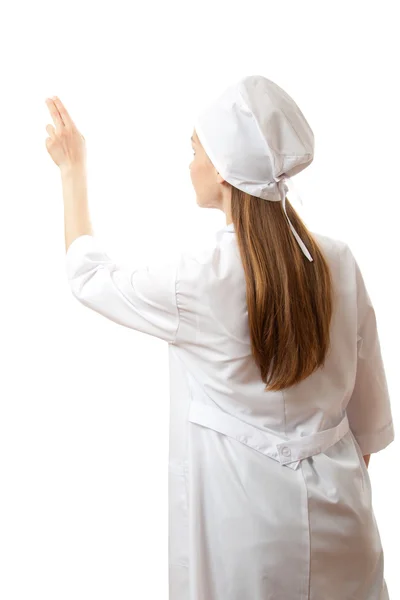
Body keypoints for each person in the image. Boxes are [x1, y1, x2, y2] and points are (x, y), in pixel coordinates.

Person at [47, 75, 395, 599]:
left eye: (195, 150)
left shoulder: (200, 276)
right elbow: (368, 430)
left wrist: (72, 170)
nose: (189, 164)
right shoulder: (337, 262)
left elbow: (90, 278)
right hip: (344, 528)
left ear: (225, 170)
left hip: (246, 538)